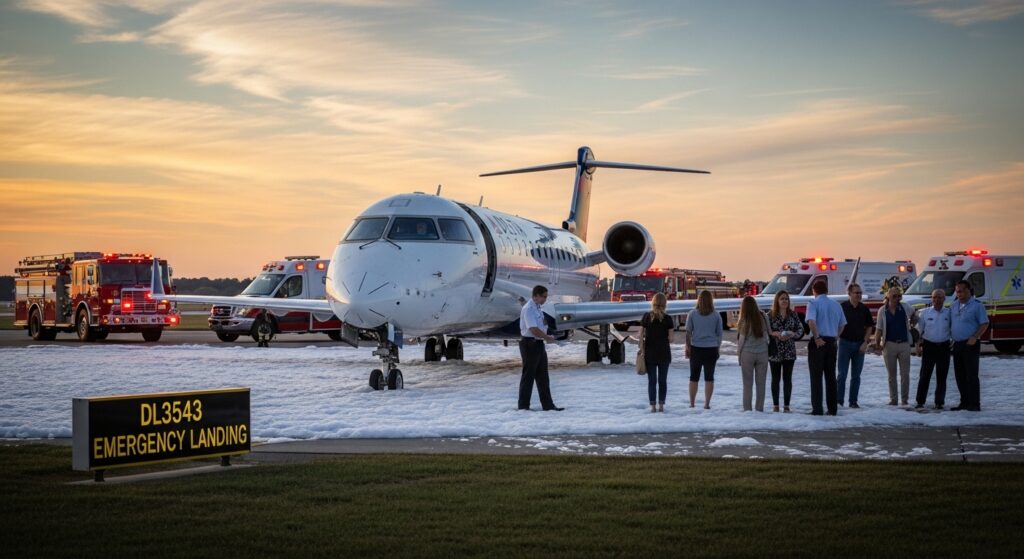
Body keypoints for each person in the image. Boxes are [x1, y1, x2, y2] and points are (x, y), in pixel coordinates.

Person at [518, 285, 563, 411]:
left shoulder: (538, 308)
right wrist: (547, 337)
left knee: (543, 376)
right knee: (528, 376)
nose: (545, 299)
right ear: (536, 296)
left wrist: (546, 336)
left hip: (538, 343)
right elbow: (533, 328)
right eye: (544, 296)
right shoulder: (529, 309)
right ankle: (523, 406)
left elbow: (541, 325)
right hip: (529, 344)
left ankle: (548, 405)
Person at [806, 280, 846, 416]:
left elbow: (811, 321)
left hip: (819, 341)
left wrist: (817, 337)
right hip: (831, 341)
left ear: (814, 291)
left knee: (816, 377)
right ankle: (832, 408)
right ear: (826, 290)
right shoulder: (836, 305)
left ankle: (817, 409)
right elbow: (842, 324)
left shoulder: (813, 303)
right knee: (830, 377)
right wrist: (836, 337)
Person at [873, 286, 918, 406]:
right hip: (889, 344)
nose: (897, 298)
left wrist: (913, 324)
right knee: (891, 375)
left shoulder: (905, 307)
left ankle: (904, 400)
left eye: (899, 296)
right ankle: (893, 400)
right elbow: (879, 328)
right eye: (894, 296)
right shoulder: (883, 310)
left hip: (904, 344)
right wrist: (877, 344)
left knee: (905, 374)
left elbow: (915, 315)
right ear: (888, 297)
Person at [950, 280, 989, 411]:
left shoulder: (977, 306)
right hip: (957, 344)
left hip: (970, 344)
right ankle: (964, 402)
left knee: (971, 375)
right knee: (959, 375)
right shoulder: (954, 305)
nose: (959, 294)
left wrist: (975, 337)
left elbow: (984, 323)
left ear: (968, 290)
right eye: (957, 291)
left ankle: (974, 404)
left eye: (961, 291)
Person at [837, 283, 874, 408]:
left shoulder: (864, 309)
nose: (859, 295)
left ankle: (853, 402)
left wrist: (865, 342)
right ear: (849, 294)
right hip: (844, 344)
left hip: (859, 345)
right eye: (856, 292)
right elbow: (837, 324)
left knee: (856, 376)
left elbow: (870, 326)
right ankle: (839, 401)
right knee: (842, 375)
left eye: (860, 292)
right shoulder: (842, 307)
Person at [685, 290, 722, 409]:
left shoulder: (692, 314)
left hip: (696, 348)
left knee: (693, 377)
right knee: (709, 377)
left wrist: (687, 347)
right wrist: (717, 347)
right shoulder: (716, 315)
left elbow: (688, 332)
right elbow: (719, 334)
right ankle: (707, 404)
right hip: (711, 349)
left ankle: (692, 403)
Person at [916, 288, 952, 410]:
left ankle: (939, 402)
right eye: (934, 297)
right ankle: (920, 401)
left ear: (944, 299)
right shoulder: (925, 313)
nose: (937, 300)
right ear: (932, 299)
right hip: (929, 347)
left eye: (940, 297)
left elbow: (953, 329)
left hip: (944, 347)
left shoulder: (949, 313)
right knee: (924, 376)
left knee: (942, 376)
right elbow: (919, 331)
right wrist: (918, 346)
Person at [768, 290, 803, 412]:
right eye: (782, 299)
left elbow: (800, 330)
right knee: (775, 379)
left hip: (789, 351)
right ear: (777, 301)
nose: (784, 301)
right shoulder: (770, 315)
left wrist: (793, 334)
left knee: (787, 379)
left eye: (786, 299)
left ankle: (787, 405)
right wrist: (775, 333)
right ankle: (775, 405)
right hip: (775, 351)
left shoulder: (793, 314)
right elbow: (765, 331)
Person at [640, 292, 673, 412]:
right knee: (662, 381)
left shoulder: (646, 317)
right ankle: (661, 406)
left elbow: (640, 335)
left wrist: (642, 348)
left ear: (653, 302)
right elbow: (671, 339)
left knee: (652, 381)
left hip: (650, 353)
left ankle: (653, 406)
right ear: (665, 303)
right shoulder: (668, 319)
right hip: (664, 353)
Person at [737, 296, 770, 412]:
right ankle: (759, 408)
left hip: (747, 353)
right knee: (761, 384)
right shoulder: (763, 316)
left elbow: (741, 340)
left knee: (747, 384)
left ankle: (747, 409)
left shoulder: (744, 319)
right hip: (763, 353)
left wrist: (739, 355)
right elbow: (768, 333)